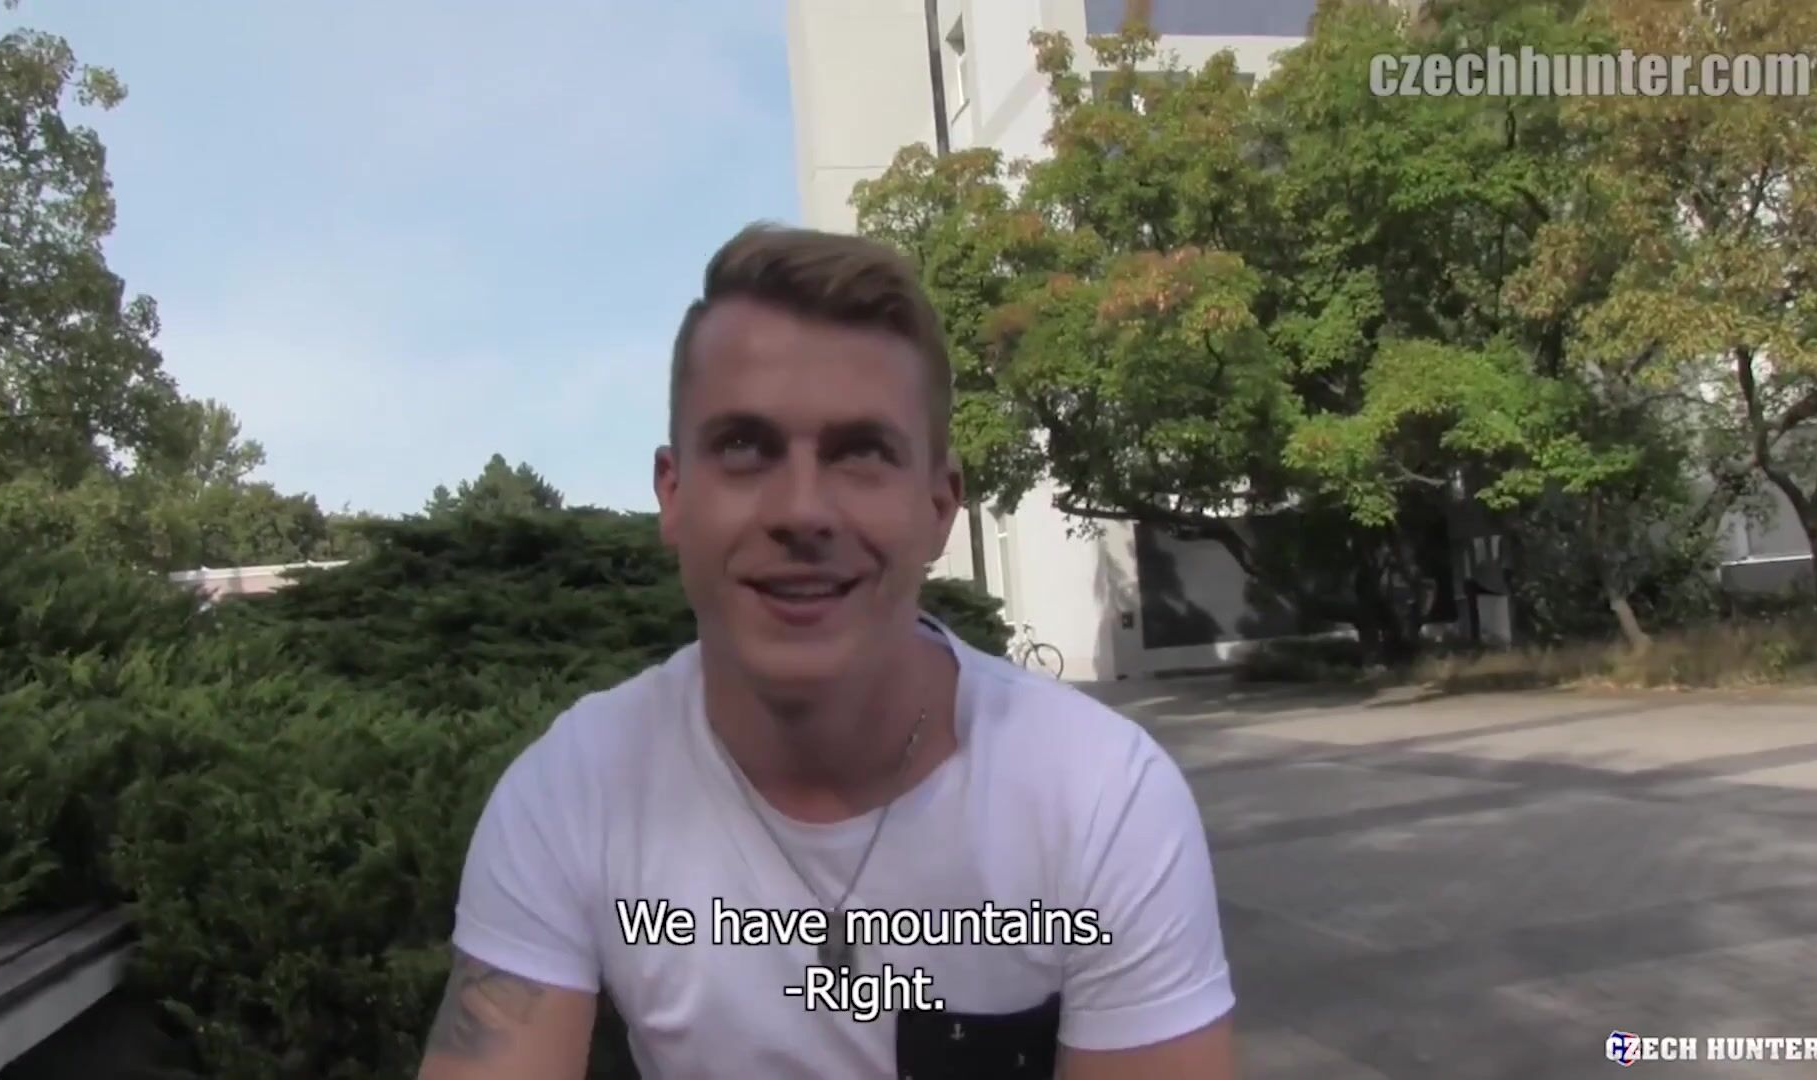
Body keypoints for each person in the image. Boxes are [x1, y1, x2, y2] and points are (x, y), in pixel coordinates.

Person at [415, 224, 1236, 1079]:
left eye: (860, 453)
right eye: (745, 447)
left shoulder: (1101, 798)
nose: (802, 511)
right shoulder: (571, 793)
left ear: (939, 506)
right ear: (673, 493)